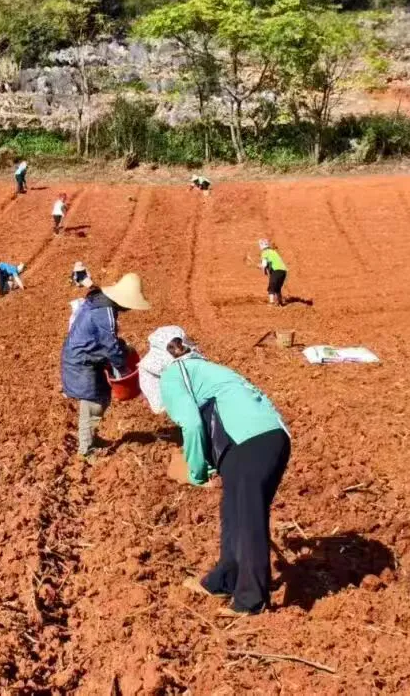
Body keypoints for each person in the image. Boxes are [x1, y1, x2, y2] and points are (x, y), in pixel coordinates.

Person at [147, 327, 292, 616]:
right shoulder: (204, 368)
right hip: (267, 439)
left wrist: (196, 470)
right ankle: (224, 579)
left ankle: (251, 600)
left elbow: (191, 423)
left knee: (249, 517)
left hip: (250, 442)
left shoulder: (174, 374)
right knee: (233, 513)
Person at [61, 273, 151, 457]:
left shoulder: (101, 303)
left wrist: (122, 350)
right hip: (82, 362)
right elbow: (109, 344)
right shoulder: (104, 311)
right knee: (92, 403)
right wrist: (124, 368)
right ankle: (86, 450)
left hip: (90, 357)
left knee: (101, 397)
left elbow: (108, 341)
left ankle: (91, 438)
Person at [258, 239, 288, 307]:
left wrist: (260, 266)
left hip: (276, 270)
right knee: (277, 288)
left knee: (271, 287)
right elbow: (270, 263)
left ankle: (271, 303)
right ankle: (280, 302)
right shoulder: (273, 252)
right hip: (283, 271)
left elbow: (264, 265)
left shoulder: (265, 253)